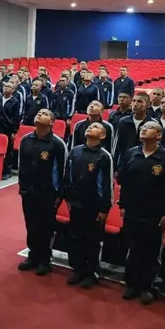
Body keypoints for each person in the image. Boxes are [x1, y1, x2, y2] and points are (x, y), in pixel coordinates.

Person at [118, 121, 165, 305]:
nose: (143, 129)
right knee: (133, 248)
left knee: (151, 252)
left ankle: (148, 286)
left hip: (154, 214)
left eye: (149, 128)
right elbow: (125, 183)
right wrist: (122, 204)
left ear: (159, 135)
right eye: (142, 128)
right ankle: (133, 283)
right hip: (132, 211)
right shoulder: (132, 153)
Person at [17, 109, 67, 275]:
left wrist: (59, 194)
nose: (39, 114)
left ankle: (45, 259)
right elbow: (21, 165)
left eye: (44, 113)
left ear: (52, 121)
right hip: (28, 191)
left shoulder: (57, 144)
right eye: (38, 113)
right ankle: (33, 255)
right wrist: (22, 186)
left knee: (46, 227)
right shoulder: (26, 140)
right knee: (31, 225)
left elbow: (62, 171)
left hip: (47, 193)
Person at [64, 122, 114, 289]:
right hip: (76, 203)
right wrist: (68, 198)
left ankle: (91, 272)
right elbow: (68, 175)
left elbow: (107, 185)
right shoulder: (75, 151)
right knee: (75, 237)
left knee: (93, 240)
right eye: (89, 126)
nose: (90, 128)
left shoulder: (104, 156)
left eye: (95, 127)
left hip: (94, 206)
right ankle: (77, 269)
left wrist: (104, 208)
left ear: (102, 136)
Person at [113, 94, 155, 170]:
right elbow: (116, 145)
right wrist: (115, 166)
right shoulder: (123, 121)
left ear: (148, 105)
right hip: (125, 163)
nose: (135, 104)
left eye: (139, 101)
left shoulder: (153, 123)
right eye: (134, 101)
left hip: (145, 164)